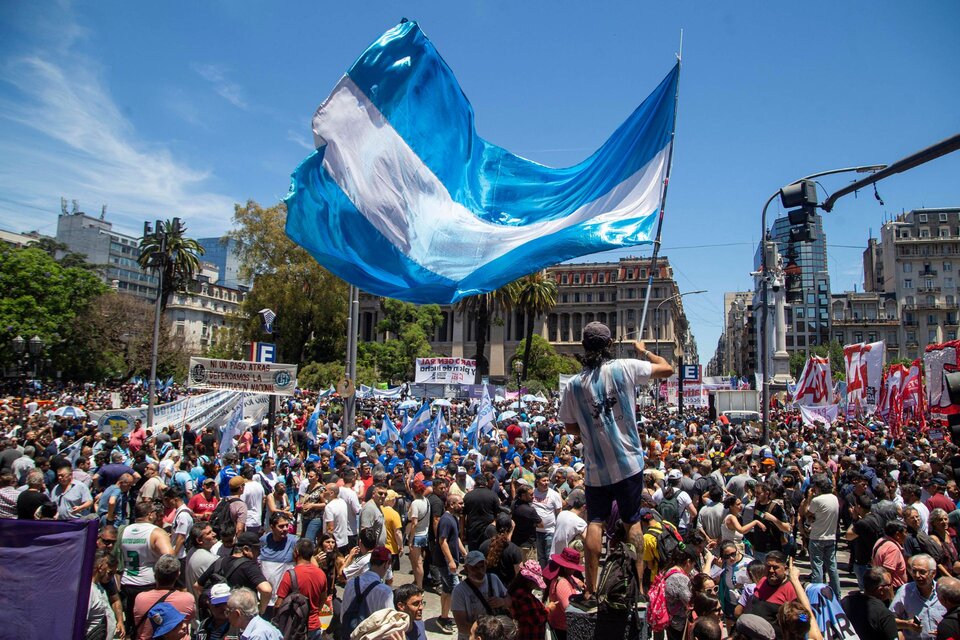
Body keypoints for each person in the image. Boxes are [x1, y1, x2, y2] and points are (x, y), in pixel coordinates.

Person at [558, 323, 673, 600]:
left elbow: (569, 426)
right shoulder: (625, 367)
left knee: (595, 522)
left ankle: (590, 589)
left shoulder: (573, 385)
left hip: (596, 467)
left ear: (584, 347)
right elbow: (667, 368)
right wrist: (643, 351)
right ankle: (639, 587)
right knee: (632, 523)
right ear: (609, 345)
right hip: (628, 462)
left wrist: (591, 427)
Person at [120, 501, 175, 630]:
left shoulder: (124, 530)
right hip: (148, 584)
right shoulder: (156, 532)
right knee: (150, 626)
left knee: (131, 625)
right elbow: (170, 558)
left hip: (127, 582)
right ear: (150, 514)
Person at [196, 531, 273, 615]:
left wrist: (212, 607)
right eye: (257, 549)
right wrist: (261, 609)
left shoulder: (219, 562)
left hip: (220, 617)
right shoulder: (249, 566)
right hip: (241, 617)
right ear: (246, 549)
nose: (259, 552)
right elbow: (266, 590)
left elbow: (197, 586)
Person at [132, 554, 196, 640]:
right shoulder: (188, 598)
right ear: (178, 575)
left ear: (155, 575)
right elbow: (191, 618)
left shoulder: (140, 598)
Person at [276, 538, 328, 640]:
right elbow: (323, 598)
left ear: (296, 552)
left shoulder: (290, 575)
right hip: (314, 627)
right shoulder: (321, 574)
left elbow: (278, 604)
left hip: (294, 628)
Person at [451, 551, 511, 640]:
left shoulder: (493, 579)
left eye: (482, 566)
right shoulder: (459, 591)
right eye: (474, 568)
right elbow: (461, 625)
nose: (479, 571)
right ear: (466, 569)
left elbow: (509, 601)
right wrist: (487, 633)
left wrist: (502, 602)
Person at [890, 554, 948, 640]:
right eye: (914, 571)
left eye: (922, 572)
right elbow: (890, 620)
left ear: (933, 573)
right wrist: (907, 624)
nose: (917, 575)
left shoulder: (944, 591)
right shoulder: (904, 591)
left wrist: (945, 630)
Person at [341, 546, 394, 639]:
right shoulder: (385, 591)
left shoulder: (351, 583)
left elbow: (343, 615)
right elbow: (390, 623)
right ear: (386, 564)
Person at [802, 474, 841, 597]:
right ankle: (837, 594)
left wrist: (809, 498)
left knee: (817, 568)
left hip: (817, 537)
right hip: (831, 536)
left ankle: (817, 595)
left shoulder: (816, 500)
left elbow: (807, 513)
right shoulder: (834, 498)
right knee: (832, 567)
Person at [436, 494, 468, 634]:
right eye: (460, 503)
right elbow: (442, 541)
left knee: (447, 591)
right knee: (456, 591)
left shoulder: (454, 518)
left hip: (451, 562)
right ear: (451, 504)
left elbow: (456, 539)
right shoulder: (446, 520)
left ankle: (443, 617)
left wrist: (464, 554)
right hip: (445, 563)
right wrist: (450, 561)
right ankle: (448, 619)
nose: (462, 505)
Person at [840, 566, 899, 640]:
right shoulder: (884, 614)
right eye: (889, 585)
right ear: (881, 590)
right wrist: (892, 598)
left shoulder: (845, 602)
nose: (892, 587)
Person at [741, 552, 797, 628]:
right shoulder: (762, 581)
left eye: (775, 567)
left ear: (785, 569)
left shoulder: (791, 589)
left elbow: (799, 619)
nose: (771, 570)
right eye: (768, 566)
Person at [543, 548, 585, 640]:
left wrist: (579, 583)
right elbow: (569, 610)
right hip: (562, 629)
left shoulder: (567, 576)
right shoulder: (562, 583)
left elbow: (573, 578)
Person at [480, 512, 523, 587]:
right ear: (510, 528)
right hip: (506, 589)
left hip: (487, 587)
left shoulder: (483, 545)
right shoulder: (514, 549)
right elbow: (519, 574)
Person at [508, 561, 547, 640]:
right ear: (528, 582)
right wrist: (548, 610)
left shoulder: (519, 593)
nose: (536, 585)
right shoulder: (524, 597)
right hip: (529, 635)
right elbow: (536, 620)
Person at [531, 472, 563, 567]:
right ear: (537, 482)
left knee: (549, 556)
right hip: (535, 531)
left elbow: (559, 513)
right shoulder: (532, 493)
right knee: (540, 557)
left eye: (547, 480)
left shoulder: (554, 495)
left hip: (550, 531)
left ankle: (549, 574)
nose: (546, 483)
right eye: (544, 481)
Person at [462, 473, 501, 551]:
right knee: (488, 552)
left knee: (474, 554)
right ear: (486, 483)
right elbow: (498, 514)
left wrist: (462, 532)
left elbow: (463, 516)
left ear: (475, 483)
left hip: (473, 531)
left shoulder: (468, 496)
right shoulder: (493, 495)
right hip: (488, 531)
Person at [184, 523, 218, 600]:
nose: (214, 534)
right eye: (209, 533)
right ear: (199, 540)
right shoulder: (210, 559)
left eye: (212, 531)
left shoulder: (191, 551)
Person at [407, 480, 430, 588]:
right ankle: (417, 581)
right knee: (415, 560)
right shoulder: (426, 500)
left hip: (417, 535)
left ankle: (419, 587)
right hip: (425, 533)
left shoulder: (415, 503)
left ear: (413, 490)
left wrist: (410, 540)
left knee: (418, 562)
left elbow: (414, 523)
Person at [874, 520, 910, 590]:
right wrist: (890, 594)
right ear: (897, 534)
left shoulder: (880, 541)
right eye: (905, 532)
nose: (907, 535)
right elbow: (887, 573)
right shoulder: (893, 549)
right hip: (894, 589)